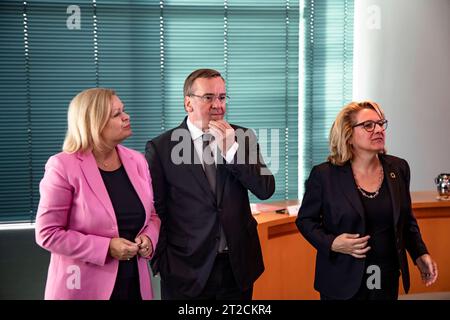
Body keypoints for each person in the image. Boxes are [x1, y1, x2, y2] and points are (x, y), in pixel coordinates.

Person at [145, 68, 275, 299]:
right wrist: (162, 263)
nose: (218, 105)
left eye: (222, 97)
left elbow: (265, 189)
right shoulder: (161, 148)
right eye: (208, 97)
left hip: (237, 267)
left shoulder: (243, 137)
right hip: (186, 270)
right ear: (188, 103)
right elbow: (156, 209)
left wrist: (231, 151)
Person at [296, 101, 438, 300]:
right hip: (341, 278)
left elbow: (406, 220)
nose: (379, 129)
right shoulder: (324, 175)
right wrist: (332, 243)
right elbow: (305, 221)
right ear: (348, 135)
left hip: (386, 276)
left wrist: (419, 254)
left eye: (381, 124)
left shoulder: (398, 168)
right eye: (368, 125)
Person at [35, 88, 160, 300]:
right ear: (94, 123)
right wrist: (107, 248)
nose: (126, 116)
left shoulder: (137, 160)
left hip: (135, 285)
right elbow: (48, 233)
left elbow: (152, 215)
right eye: (116, 114)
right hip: (81, 287)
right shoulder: (62, 166)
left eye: (124, 110)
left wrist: (149, 237)